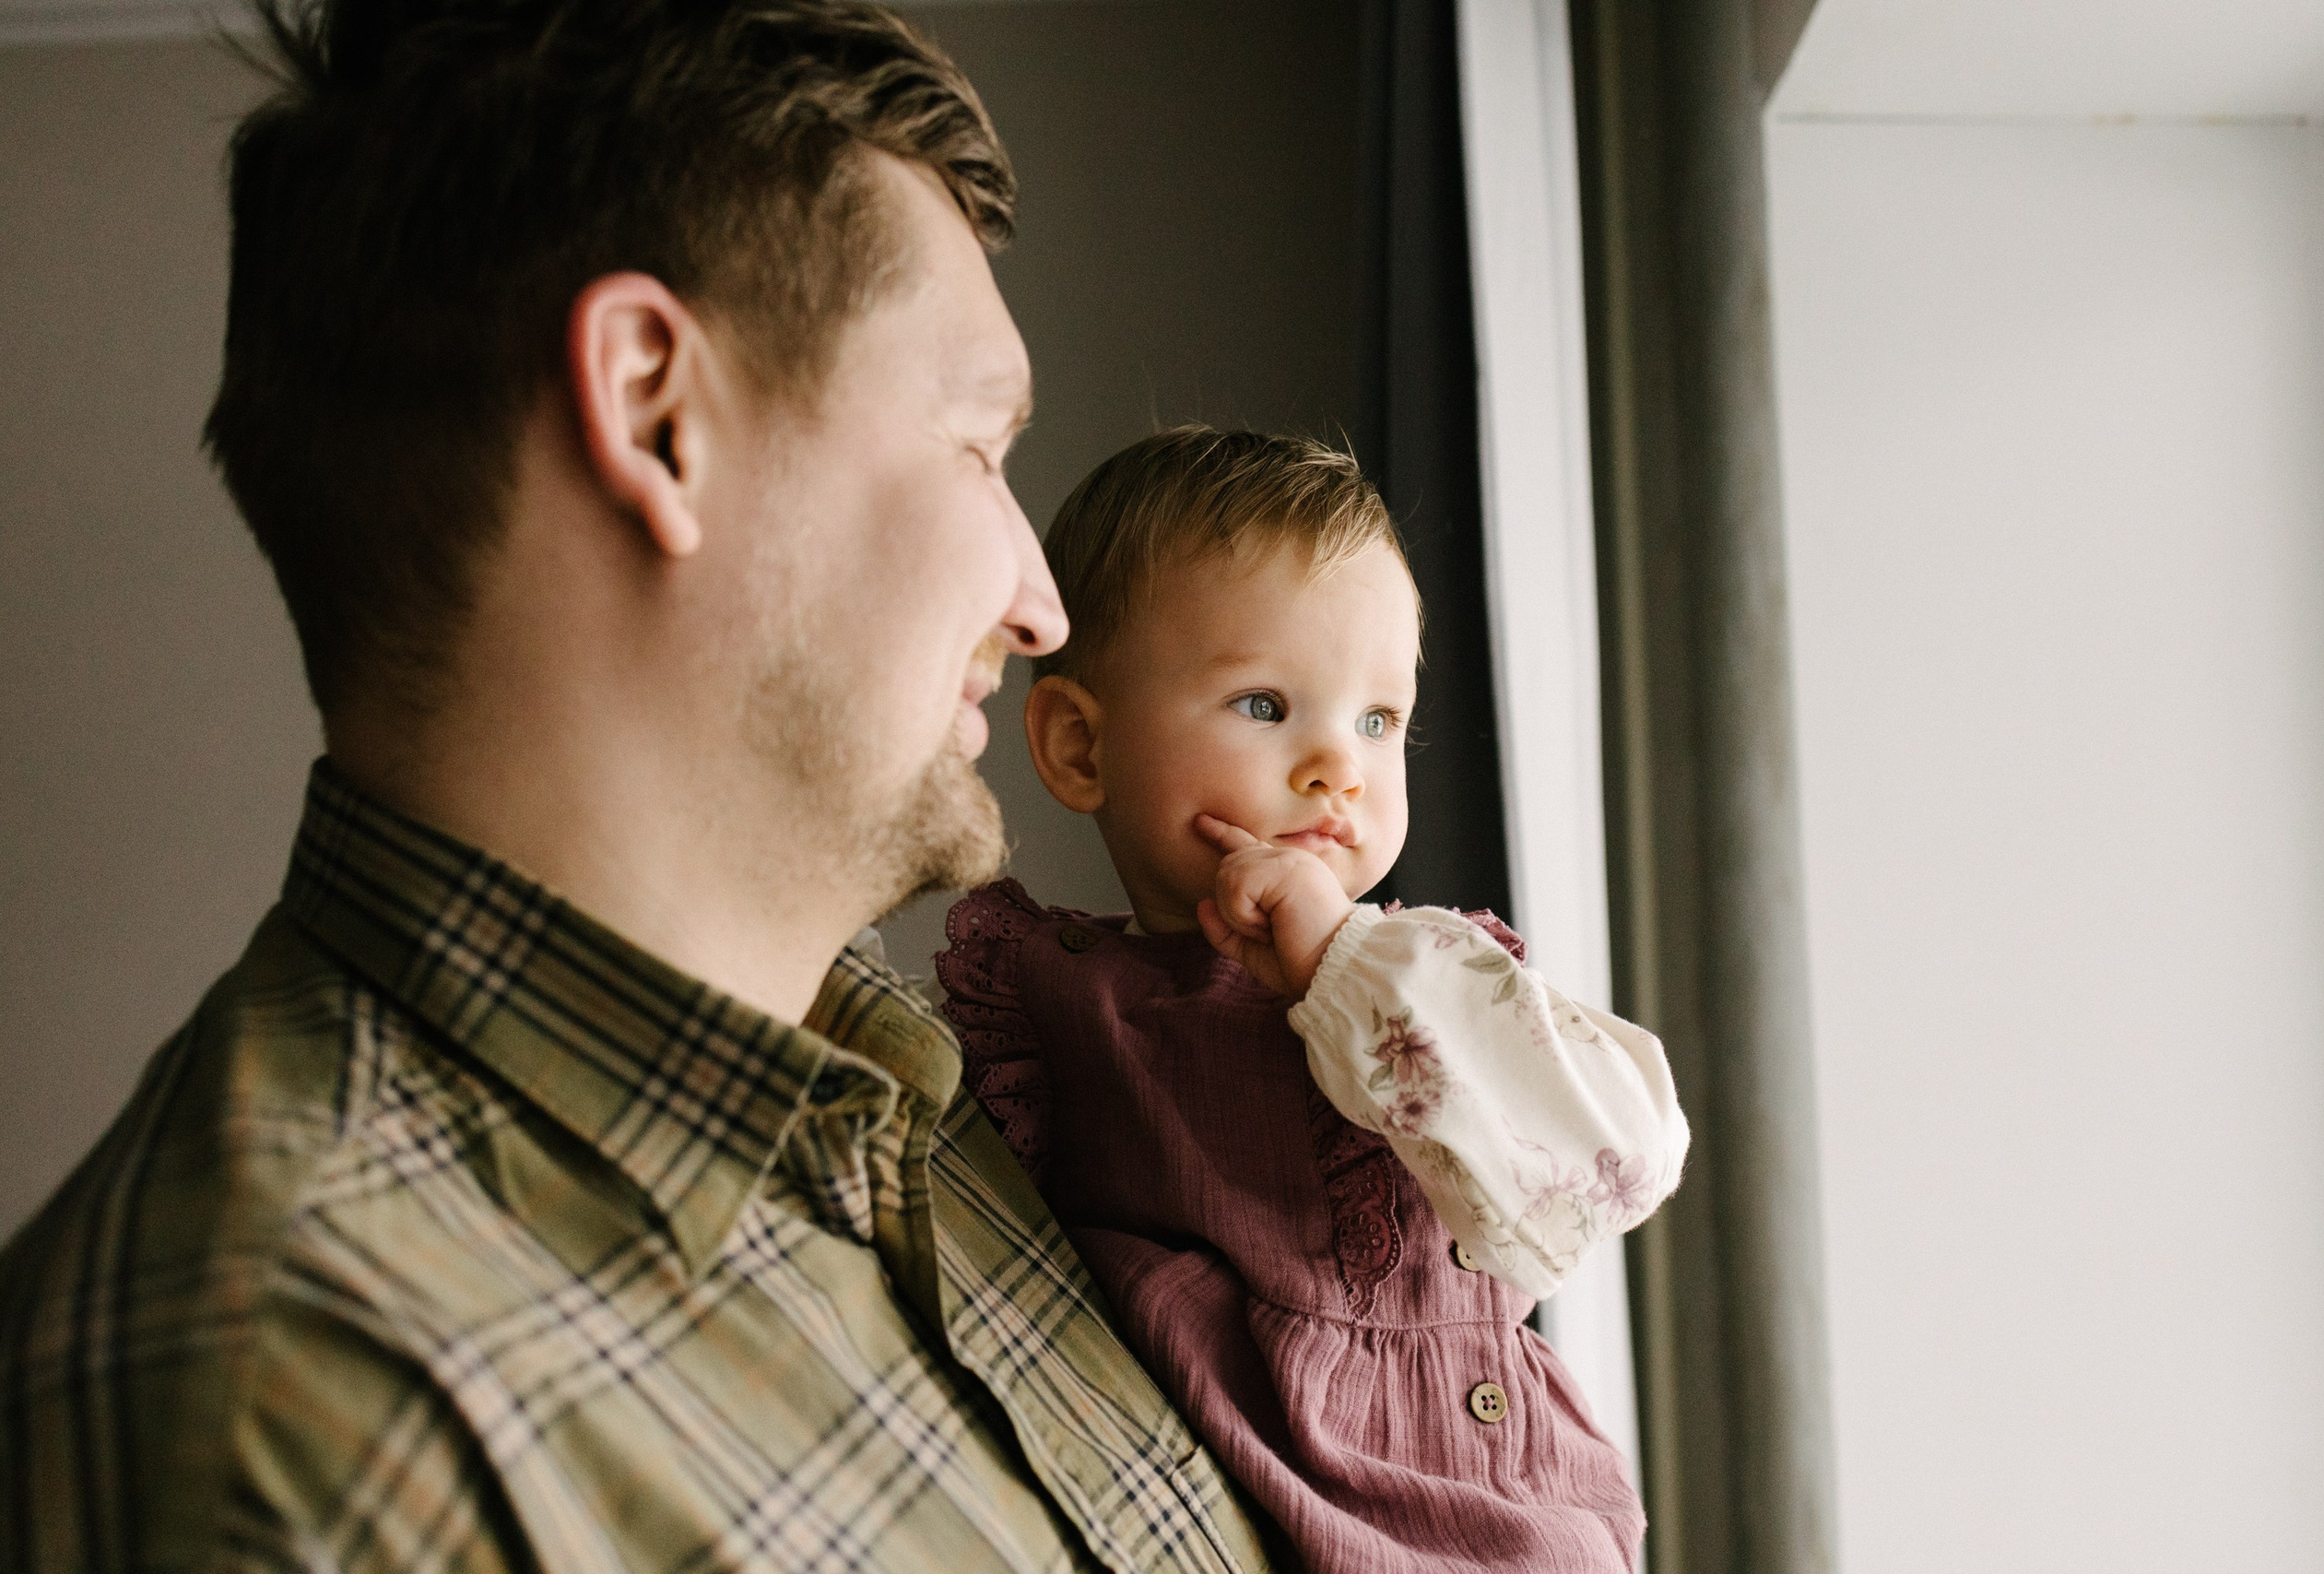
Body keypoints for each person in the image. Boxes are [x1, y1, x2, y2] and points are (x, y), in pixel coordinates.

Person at [0, 4, 1280, 1570]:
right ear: (656, 412)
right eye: (973, 446)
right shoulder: (273, 1442)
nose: (1042, 605)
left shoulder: (916, 1092)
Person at [934, 429, 1692, 1574]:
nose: (1339, 765)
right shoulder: (1038, 997)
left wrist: (1344, 958)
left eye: (1378, 721)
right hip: (1203, 1506)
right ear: (1082, 749)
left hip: (1472, 1506)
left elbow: (1622, 1156)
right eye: (1264, 704)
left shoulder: (1423, 976)